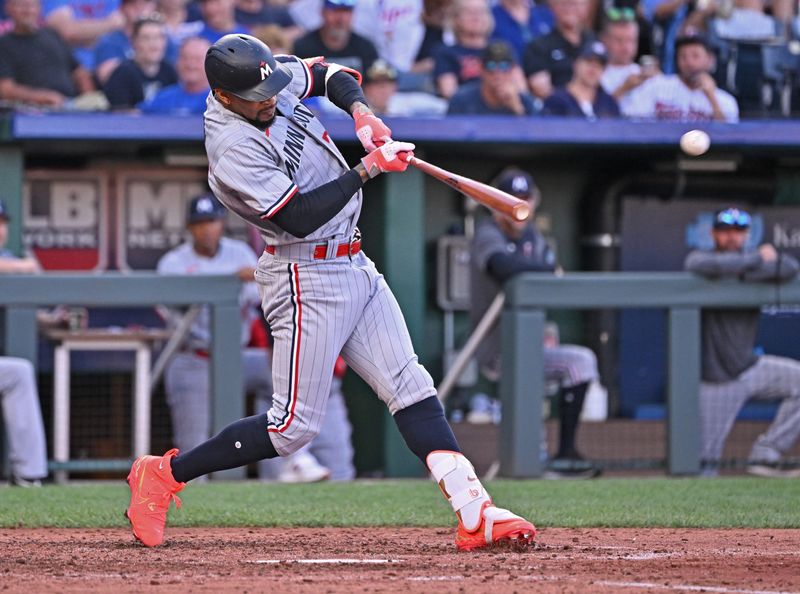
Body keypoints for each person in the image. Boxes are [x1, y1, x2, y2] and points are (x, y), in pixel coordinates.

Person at [124, 33, 535, 552]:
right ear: (226, 97)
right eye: (258, 96)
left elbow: (326, 74)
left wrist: (362, 115)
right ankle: (164, 474)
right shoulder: (231, 147)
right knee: (291, 428)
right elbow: (296, 218)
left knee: (410, 385)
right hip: (304, 275)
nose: (271, 99)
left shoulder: (263, 82)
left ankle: (475, 511)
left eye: (271, 87)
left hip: (353, 259)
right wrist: (368, 168)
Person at [156, 193, 343, 482]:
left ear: (222, 223)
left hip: (238, 357)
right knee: (193, 441)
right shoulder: (173, 263)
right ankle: (189, 507)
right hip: (194, 358)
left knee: (282, 375)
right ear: (189, 228)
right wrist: (232, 278)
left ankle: (293, 462)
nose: (207, 229)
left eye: (213, 222)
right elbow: (172, 302)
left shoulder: (240, 252)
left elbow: (265, 302)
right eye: (200, 223)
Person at [470, 168, 601, 477]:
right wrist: (538, 268)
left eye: (525, 198)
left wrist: (535, 269)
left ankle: (566, 455)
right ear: (496, 202)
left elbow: (553, 273)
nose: (519, 206)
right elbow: (503, 267)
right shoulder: (488, 232)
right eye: (511, 199)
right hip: (496, 346)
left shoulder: (533, 236)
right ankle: (537, 461)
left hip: (531, 344)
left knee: (581, 362)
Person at [684, 207, 800, 477]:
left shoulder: (751, 263)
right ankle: (696, 517)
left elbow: (791, 267)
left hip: (750, 366)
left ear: (747, 235)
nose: (732, 237)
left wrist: (748, 264)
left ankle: (767, 453)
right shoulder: (704, 261)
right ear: (713, 233)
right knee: (702, 466)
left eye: (738, 232)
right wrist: (756, 260)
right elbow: (698, 265)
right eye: (725, 231)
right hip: (715, 379)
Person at [0, 199, 49, 487]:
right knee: (17, 372)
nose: (0, 229)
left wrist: (51, 321)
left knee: (17, 373)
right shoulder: (12, 262)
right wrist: (24, 266)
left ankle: (29, 476)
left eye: (3, 222)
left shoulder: (7, 257)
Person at [0, 0, 96, 109]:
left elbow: (79, 72)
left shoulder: (52, 35)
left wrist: (89, 98)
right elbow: (6, 89)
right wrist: (41, 97)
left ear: (40, 9)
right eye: (22, 6)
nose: (28, 10)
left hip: (71, 105)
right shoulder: (4, 45)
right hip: (30, 111)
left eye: (32, 6)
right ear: (8, 9)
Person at [622, 33, 738, 122]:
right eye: (683, 56)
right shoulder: (656, 86)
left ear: (710, 60)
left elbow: (728, 137)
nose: (689, 62)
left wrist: (711, 98)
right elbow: (633, 120)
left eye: (695, 56)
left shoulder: (726, 101)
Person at [523, 0, 595, 100]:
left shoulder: (594, 43)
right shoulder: (539, 46)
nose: (569, 9)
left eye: (575, 4)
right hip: (558, 111)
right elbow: (541, 89)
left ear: (586, 7)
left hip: (596, 110)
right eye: (564, 3)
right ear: (553, 6)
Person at [103, 15, 178, 108]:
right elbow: (120, 114)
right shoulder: (123, 74)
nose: (154, 44)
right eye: (146, 38)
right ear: (134, 43)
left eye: (159, 37)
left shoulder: (170, 71)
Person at [447, 39, 538, 115]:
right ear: (481, 69)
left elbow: (535, 134)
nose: (497, 73)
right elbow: (449, 133)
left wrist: (517, 108)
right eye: (491, 66)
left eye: (504, 66)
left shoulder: (525, 102)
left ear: (512, 70)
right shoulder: (462, 100)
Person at [293, 0, 379, 75]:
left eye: (346, 11)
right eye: (335, 11)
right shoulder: (303, 47)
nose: (340, 19)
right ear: (323, 12)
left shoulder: (366, 48)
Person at [432, 0, 493, 99]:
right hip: (466, 111)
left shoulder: (501, 49)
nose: (476, 17)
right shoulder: (445, 52)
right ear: (456, 19)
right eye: (469, 12)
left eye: (481, 11)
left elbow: (520, 88)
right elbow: (449, 92)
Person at [542, 40, 620, 118]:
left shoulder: (608, 102)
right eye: (589, 61)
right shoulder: (556, 100)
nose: (594, 68)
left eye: (600, 64)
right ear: (575, 63)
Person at [599, 11, 657, 114]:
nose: (626, 47)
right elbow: (596, 114)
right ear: (605, 41)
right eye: (619, 40)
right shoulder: (597, 74)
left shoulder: (647, 74)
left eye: (630, 40)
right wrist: (624, 88)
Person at [42, 0, 125, 70]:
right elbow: (67, 31)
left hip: (112, 62)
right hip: (70, 68)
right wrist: (108, 24)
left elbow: (123, 24)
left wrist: (84, 32)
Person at [139, 36, 211, 114]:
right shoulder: (163, 98)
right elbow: (136, 116)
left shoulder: (220, 102)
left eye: (197, 59)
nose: (190, 65)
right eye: (185, 58)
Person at [93, 0, 159, 84]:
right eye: (132, 3)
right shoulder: (109, 41)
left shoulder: (164, 39)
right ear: (122, 7)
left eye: (145, 2)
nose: (139, 7)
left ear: (155, 6)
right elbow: (107, 77)